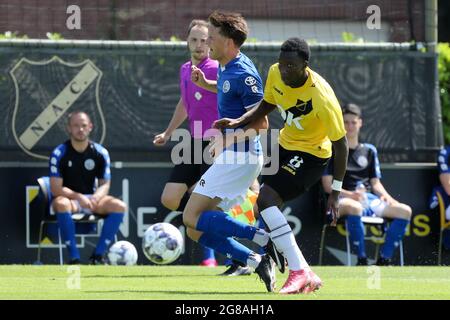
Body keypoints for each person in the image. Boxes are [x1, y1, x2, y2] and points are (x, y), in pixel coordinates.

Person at [214, 37, 349, 294]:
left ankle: (299, 270)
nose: (285, 70)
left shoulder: (321, 96)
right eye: (282, 63)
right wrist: (237, 121)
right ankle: (301, 267)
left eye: (291, 66)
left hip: (312, 154)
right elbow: (267, 104)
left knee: (266, 200)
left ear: (305, 65)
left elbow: (341, 145)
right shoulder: (276, 73)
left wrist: (336, 193)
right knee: (261, 206)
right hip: (285, 146)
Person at [183, 11, 277, 292]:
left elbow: (262, 123)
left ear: (230, 41)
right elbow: (226, 90)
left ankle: (260, 237)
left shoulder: (245, 73)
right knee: (195, 228)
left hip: (242, 156)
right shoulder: (225, 65)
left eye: (213, 35)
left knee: (190, 216)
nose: (208, 39)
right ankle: (254, 258)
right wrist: (205, 85)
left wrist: (227, 140)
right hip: (234, 156)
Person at [153, 19, 220, 268]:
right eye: (194, 39)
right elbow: (184, 103)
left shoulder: (216, 69)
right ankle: (209, 216)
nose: (199, 44)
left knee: (203, 205)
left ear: (211, 43)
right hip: (193, 142)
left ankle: (213, 257)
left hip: (215, 143)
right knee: (170, 199)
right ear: (187, 41)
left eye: (204, 40)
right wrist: (169, 132)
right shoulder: (184, 69)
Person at [322, 103, 412, 266]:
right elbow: (328, 186)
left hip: (367, 199)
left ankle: (384, 259)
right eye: (346, 122)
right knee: (355, 207)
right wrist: (351, 195)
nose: (350, 126)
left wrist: (388, 198)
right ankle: (361, 260)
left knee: (404, 211)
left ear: (360, 123)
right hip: (339, 200)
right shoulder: (332, 149)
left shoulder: (369, 150)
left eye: (353, 122)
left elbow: (375, 183)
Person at [49, 111, 126, 265]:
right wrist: (79, 197)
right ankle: (74, 258)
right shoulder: (59, 152)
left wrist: (96, 197)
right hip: (70, 200)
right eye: (76, 126)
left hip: (93, 199)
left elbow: (105, 184)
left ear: (90, 127)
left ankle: (98, 256)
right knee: (60, 203)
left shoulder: (100, 152)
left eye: (84, 125)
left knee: (119, 206)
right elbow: (56, 189)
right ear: (69, 128)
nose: (80, 129)